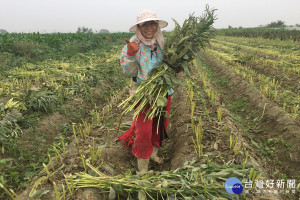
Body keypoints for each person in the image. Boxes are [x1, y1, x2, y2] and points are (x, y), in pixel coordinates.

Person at [118, 9, 173, 174]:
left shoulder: (164, 45)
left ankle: (154, 154)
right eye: (145, 24)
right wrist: (130, 55)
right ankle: (143, 166)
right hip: (143, 93)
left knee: (160, 126)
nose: (149, 27)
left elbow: (170, 68)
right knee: (143, 130)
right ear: (139, 28)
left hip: (163, 92)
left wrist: (176, 67)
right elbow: (129, 72)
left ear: (157, 26)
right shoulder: (133, 46)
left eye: (152, 23)